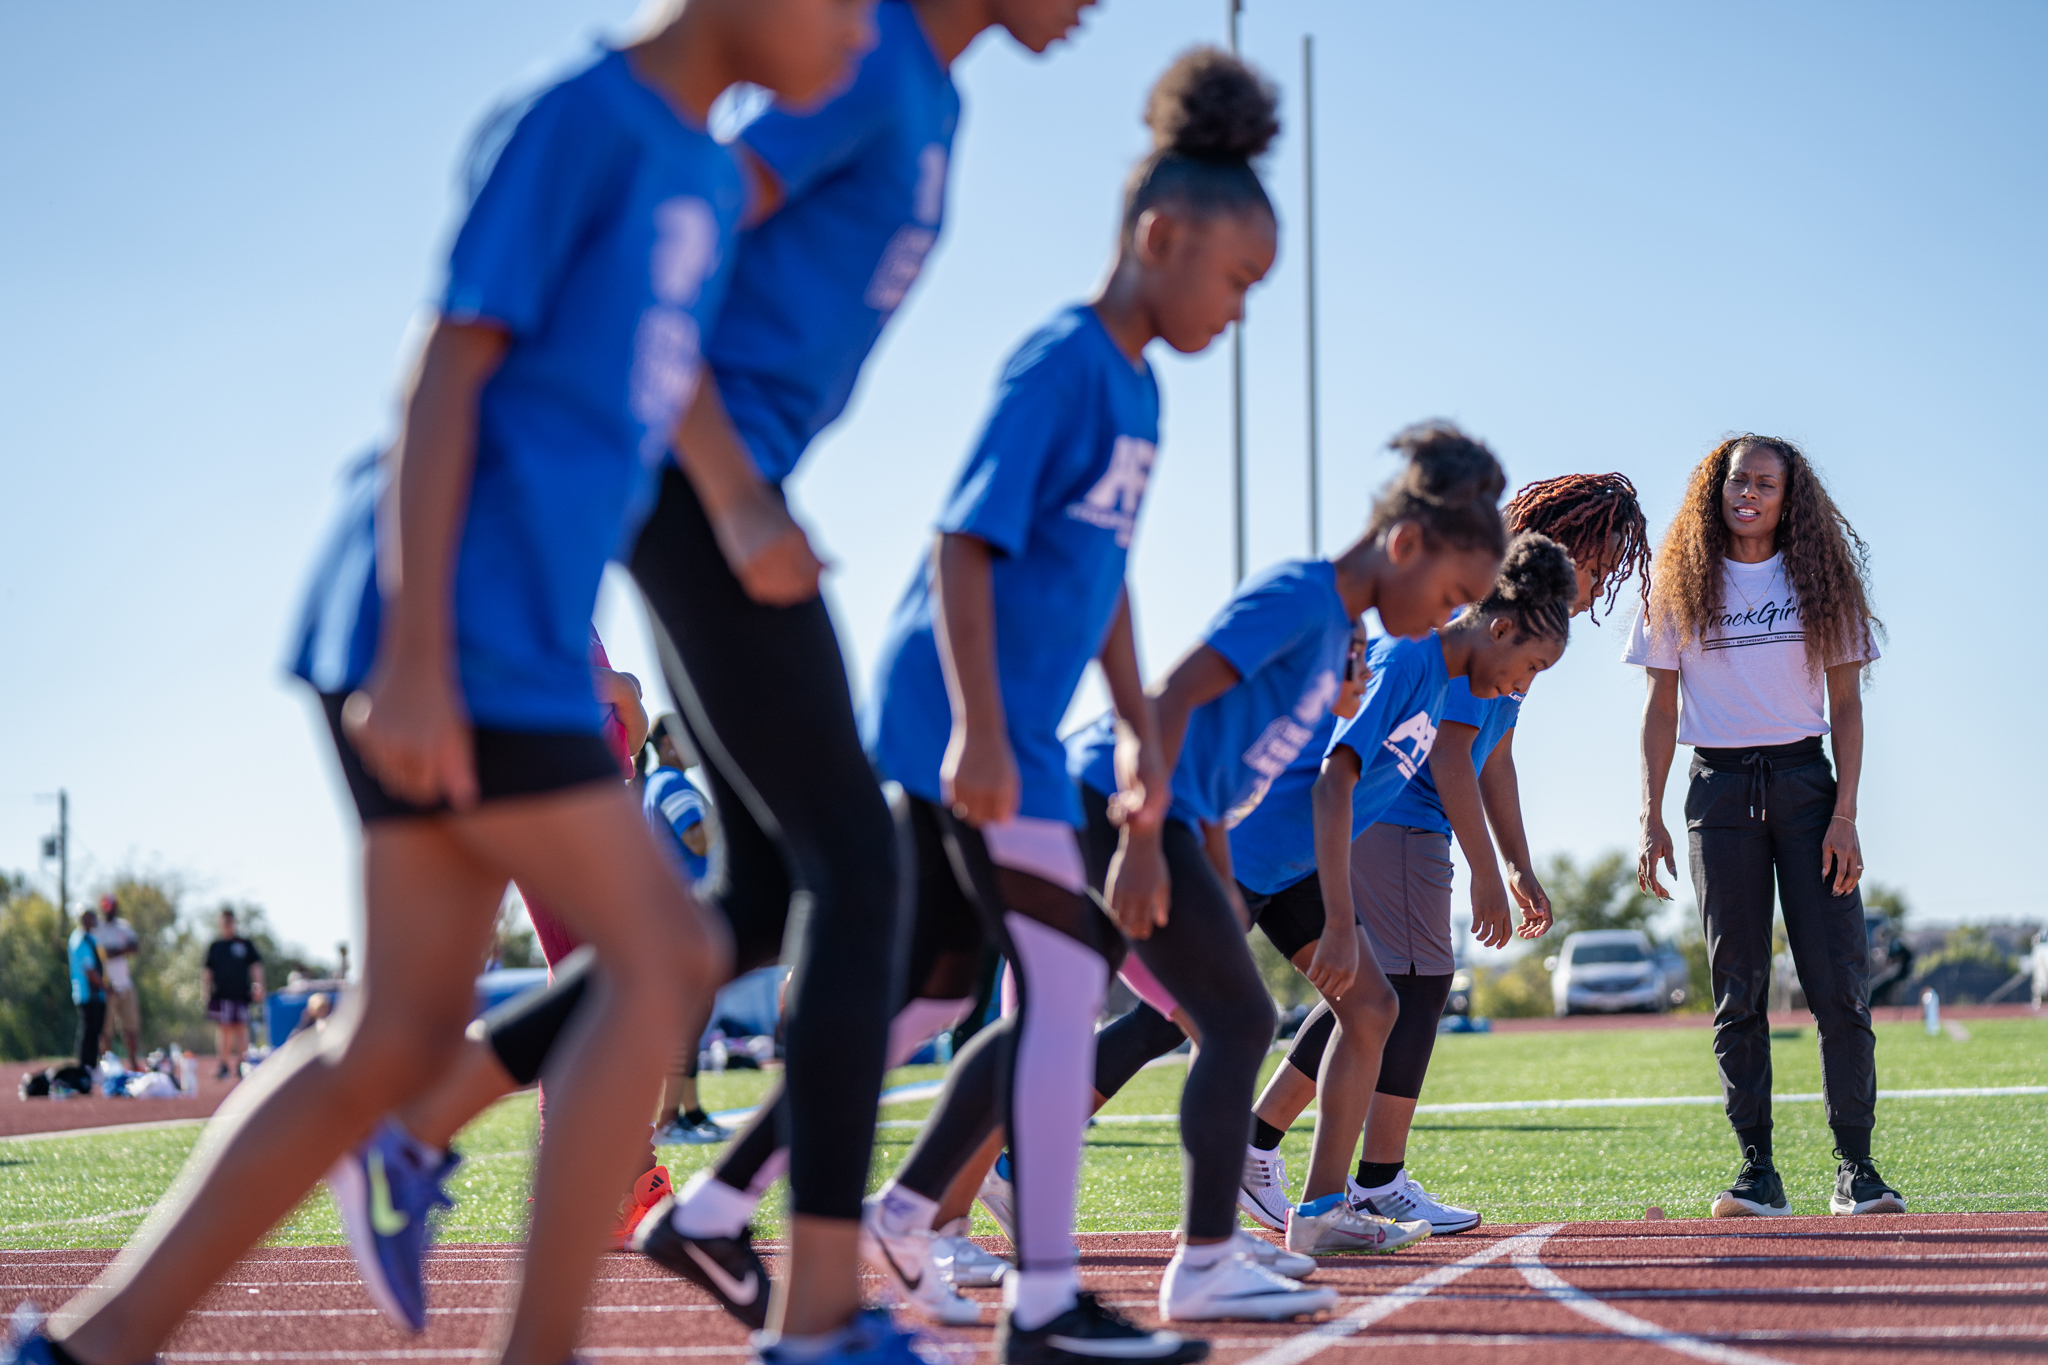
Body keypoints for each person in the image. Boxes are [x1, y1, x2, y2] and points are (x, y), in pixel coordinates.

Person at [22, 9, 864, 1365]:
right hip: (446, 617)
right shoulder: (588, 121)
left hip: (515, 628)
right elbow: (446, 364)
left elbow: (678, 377)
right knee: (664, 950)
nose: (859, 33)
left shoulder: (707, 179)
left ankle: (80, 1346)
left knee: (397, 1035)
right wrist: (413, 651)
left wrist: (743, 507)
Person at [855, 47, 1281, 1365]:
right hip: (959, 717)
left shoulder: (1142, 391)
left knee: (1002, 998)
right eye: (1234, 279)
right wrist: (982, 727)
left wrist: (1143, 737)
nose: (1241, 310)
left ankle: (1005, 1283)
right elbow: (961, 544)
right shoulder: (1063, 363)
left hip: (1033, 735)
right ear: (1160, 236)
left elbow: (1102, 578)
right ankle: (962, 1270)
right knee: (1024, 991)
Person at [1241, 473, 1652, 1236]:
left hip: (1404, 823)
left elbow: (1498, 754)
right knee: (1403, 991)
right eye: (1602, 566)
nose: (1602, 586)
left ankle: (1298, 1155)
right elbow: (1454, 755)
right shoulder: (1489, 625)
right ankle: (1353, 1173)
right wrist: (1491, 875)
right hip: (1398, 816)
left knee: (1382, 997)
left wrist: (1520, 860)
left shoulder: (1524, 640)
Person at [1216, 532, 1575, 1256]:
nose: (1522, 686)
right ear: (1499, 627)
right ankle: (990, 1173)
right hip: (1241, 855)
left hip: (1286, 870)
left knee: (1374, 1006)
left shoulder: (1452, 680)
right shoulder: (1411, 659)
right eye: (1529, 667)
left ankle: (1318, 1209)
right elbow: (1332, 779)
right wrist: (1343, 918)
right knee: (1190, 1026)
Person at [1629, 433, 1899, 1219]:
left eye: (1765, 484)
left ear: (1791, 497)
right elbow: (1659, 706)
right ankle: (1757, 1171)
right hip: (1717, 793)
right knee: (1737, 988)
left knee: (1838, 986)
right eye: (1737, 480)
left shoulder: (1823, 579)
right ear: (1716, 489)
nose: (1748, 493)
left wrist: (1845, 813)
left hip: (1806, 786)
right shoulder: (1680, 579)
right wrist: (1648, 815)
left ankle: (1858, 1168)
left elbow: (1846, 708)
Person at [202, 908, 264, 1080]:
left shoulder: (244, 944)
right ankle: (223, 1065)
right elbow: (207, 971)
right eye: (224, 922)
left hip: (241, 994)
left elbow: (256, 966)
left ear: (234, 922)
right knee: (224, 1029)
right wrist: (205, 992)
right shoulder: (216, 946)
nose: (228, 925)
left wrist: (259, 986)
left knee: (241, 1028)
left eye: (230, 921)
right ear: (220, 923)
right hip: (221, 994)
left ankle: (241, 1064)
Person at [95, 896, 142, 1071]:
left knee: (131, 1028)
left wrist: (115, 950)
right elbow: (102, 953)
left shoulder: (123, 925)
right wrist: (121, 949)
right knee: (106, 1031)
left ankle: (133, 1063)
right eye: (106, 906)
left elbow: (135, 946)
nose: (110, 909)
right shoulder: (98, 929)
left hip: (125, 985)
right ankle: (106, 1066)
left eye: (112, 906)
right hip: (108, 987)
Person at [66, 907, 106, 1074]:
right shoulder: (80, 939)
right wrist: (106, 986)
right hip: (87, 994)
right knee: (89, 1031)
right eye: (89, 917)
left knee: (94, 1032)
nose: (94, 920)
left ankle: (91, 1066)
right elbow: (89, 969)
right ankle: (85, 1067)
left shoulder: (90, 938)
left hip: (96, 995)